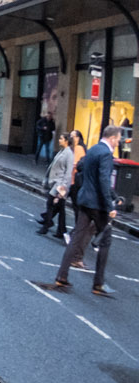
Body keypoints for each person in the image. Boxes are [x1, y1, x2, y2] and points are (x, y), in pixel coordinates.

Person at [46, 126, 125, 295]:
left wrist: (114, 195)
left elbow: (84, 170)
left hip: (84, 200)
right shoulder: (106, 154)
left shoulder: (94, 149)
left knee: (76, 239)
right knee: (106, 240)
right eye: (118, 139)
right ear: (112, 138)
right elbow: (104, 180)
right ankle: (98, 284)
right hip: (97, 204)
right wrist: (110, 206)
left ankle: (62, 276)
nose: (119, 142)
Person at [38, 130, 79, 240]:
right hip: (55, 182)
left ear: (66, 141)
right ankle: (62, 231)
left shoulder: (69, 154)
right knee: (61, 209)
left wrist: (63, 188)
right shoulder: (62, 151)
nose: (59, 140)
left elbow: (68, 173)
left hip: (60, 184)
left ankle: (46, 226)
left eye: (61, 138)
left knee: (50, 203)